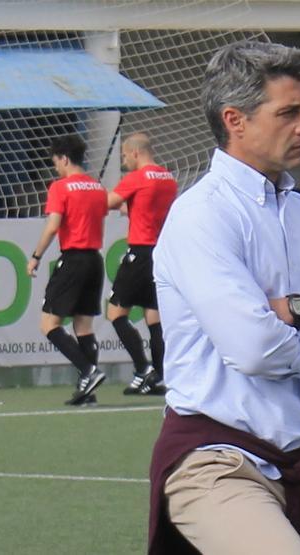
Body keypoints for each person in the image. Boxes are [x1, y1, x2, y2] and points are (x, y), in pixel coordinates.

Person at [147, 41, 300, 555]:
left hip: (286, 467)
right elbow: (255, 348)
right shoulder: (201, 216)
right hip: (213, 463)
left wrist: (298, 311)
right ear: (235, 120)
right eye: (290, 112)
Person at [26, 134, 109, 406]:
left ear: (63, 158)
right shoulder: (97, 188)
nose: (56, 168)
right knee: (84, 326)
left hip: (72, 259)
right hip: (95, 260)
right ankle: (88, 392)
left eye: (56, 163)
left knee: (49, 324)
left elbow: (53, 226)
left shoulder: (60, 188)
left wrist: (36, 256)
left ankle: (88, 371)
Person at [106, 132, 177, 395]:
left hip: (139, 251)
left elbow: (109, 202)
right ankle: (160, 375)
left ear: (135, 153)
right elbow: (149, 207)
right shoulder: (168, 178)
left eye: (125, 156)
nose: (124, 161)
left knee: (115, 313)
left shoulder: (136, 178)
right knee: (154, 317)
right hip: (161, 253)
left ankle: (142, 367)